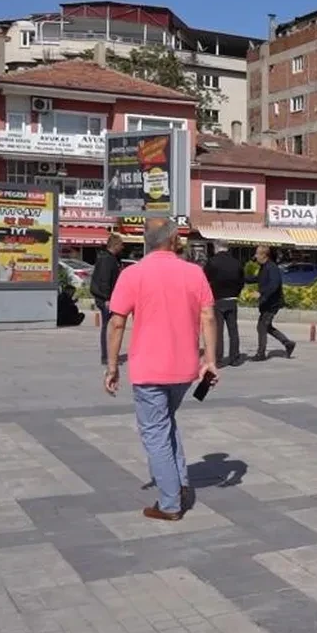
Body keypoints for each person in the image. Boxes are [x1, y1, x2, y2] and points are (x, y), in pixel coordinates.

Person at [104, 218, 217, 521]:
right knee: (166, 422)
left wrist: (112, 365)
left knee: (154, 432)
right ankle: (179, 483)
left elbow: (117, 322)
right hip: (184, 368)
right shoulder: (194, 273)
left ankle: (170, 503)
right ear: (173, 239)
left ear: (147, 241)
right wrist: (211, 359)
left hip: (148, 368)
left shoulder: (133, 274)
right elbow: (208, 316)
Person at [248, 246, 295, 362]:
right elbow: (256, 279)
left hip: (272, 303)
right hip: (267, 302)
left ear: (264, 255)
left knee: (262, 327)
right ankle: (288, 343)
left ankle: (261, 353)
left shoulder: (272, 267)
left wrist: (261, 294)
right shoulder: (264, 267)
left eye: (257, 254)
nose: (256, 256)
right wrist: (240, 278)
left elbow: (274, 284)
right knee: (267, 327)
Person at [203, 243, 245, 366]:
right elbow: (242, 280)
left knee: (218, 330)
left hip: (217, 299)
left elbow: (205, 279)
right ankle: (235, 358)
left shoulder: (212, 262)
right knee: (233, 330)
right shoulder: (236, 262)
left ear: (217, 248)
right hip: (232, 299)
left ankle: (218, 359)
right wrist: (236, 293)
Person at [90, 233, 125, 365]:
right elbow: (105, 280)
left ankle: (108, 355)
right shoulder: (107, 260)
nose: (122, 248)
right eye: (121, 245)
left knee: (108, 326)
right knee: (107, 327)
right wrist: (107, 298)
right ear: (115, 245)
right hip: (105, 299)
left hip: (106, 297)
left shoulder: (109, 258)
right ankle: (106, 356)